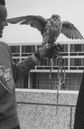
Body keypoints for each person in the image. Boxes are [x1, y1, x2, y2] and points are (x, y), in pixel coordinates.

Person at [0, 0, 60, 129]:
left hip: (13, 124)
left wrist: (39, 55)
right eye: (1, 20)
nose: (5, 24)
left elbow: (14, 74)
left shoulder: (4, 48)